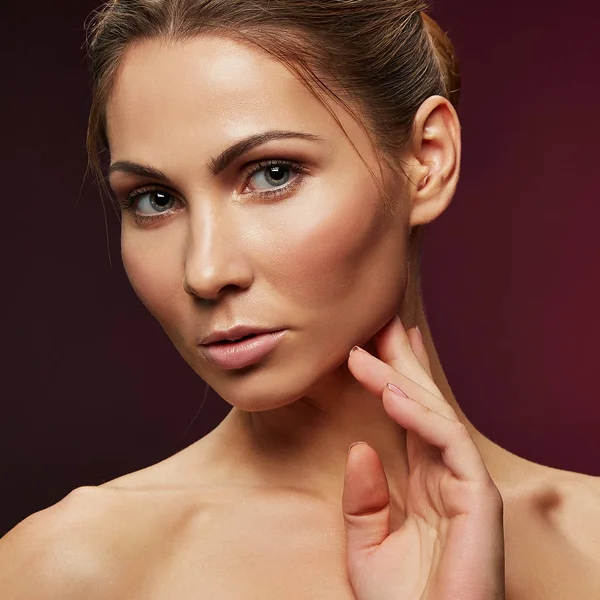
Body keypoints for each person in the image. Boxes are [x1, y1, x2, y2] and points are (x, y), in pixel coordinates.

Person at [0, 0, 598, 598]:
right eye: (155, 199)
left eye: (272, 173)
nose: (205, 272)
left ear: (426, 161)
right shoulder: (68, 568)